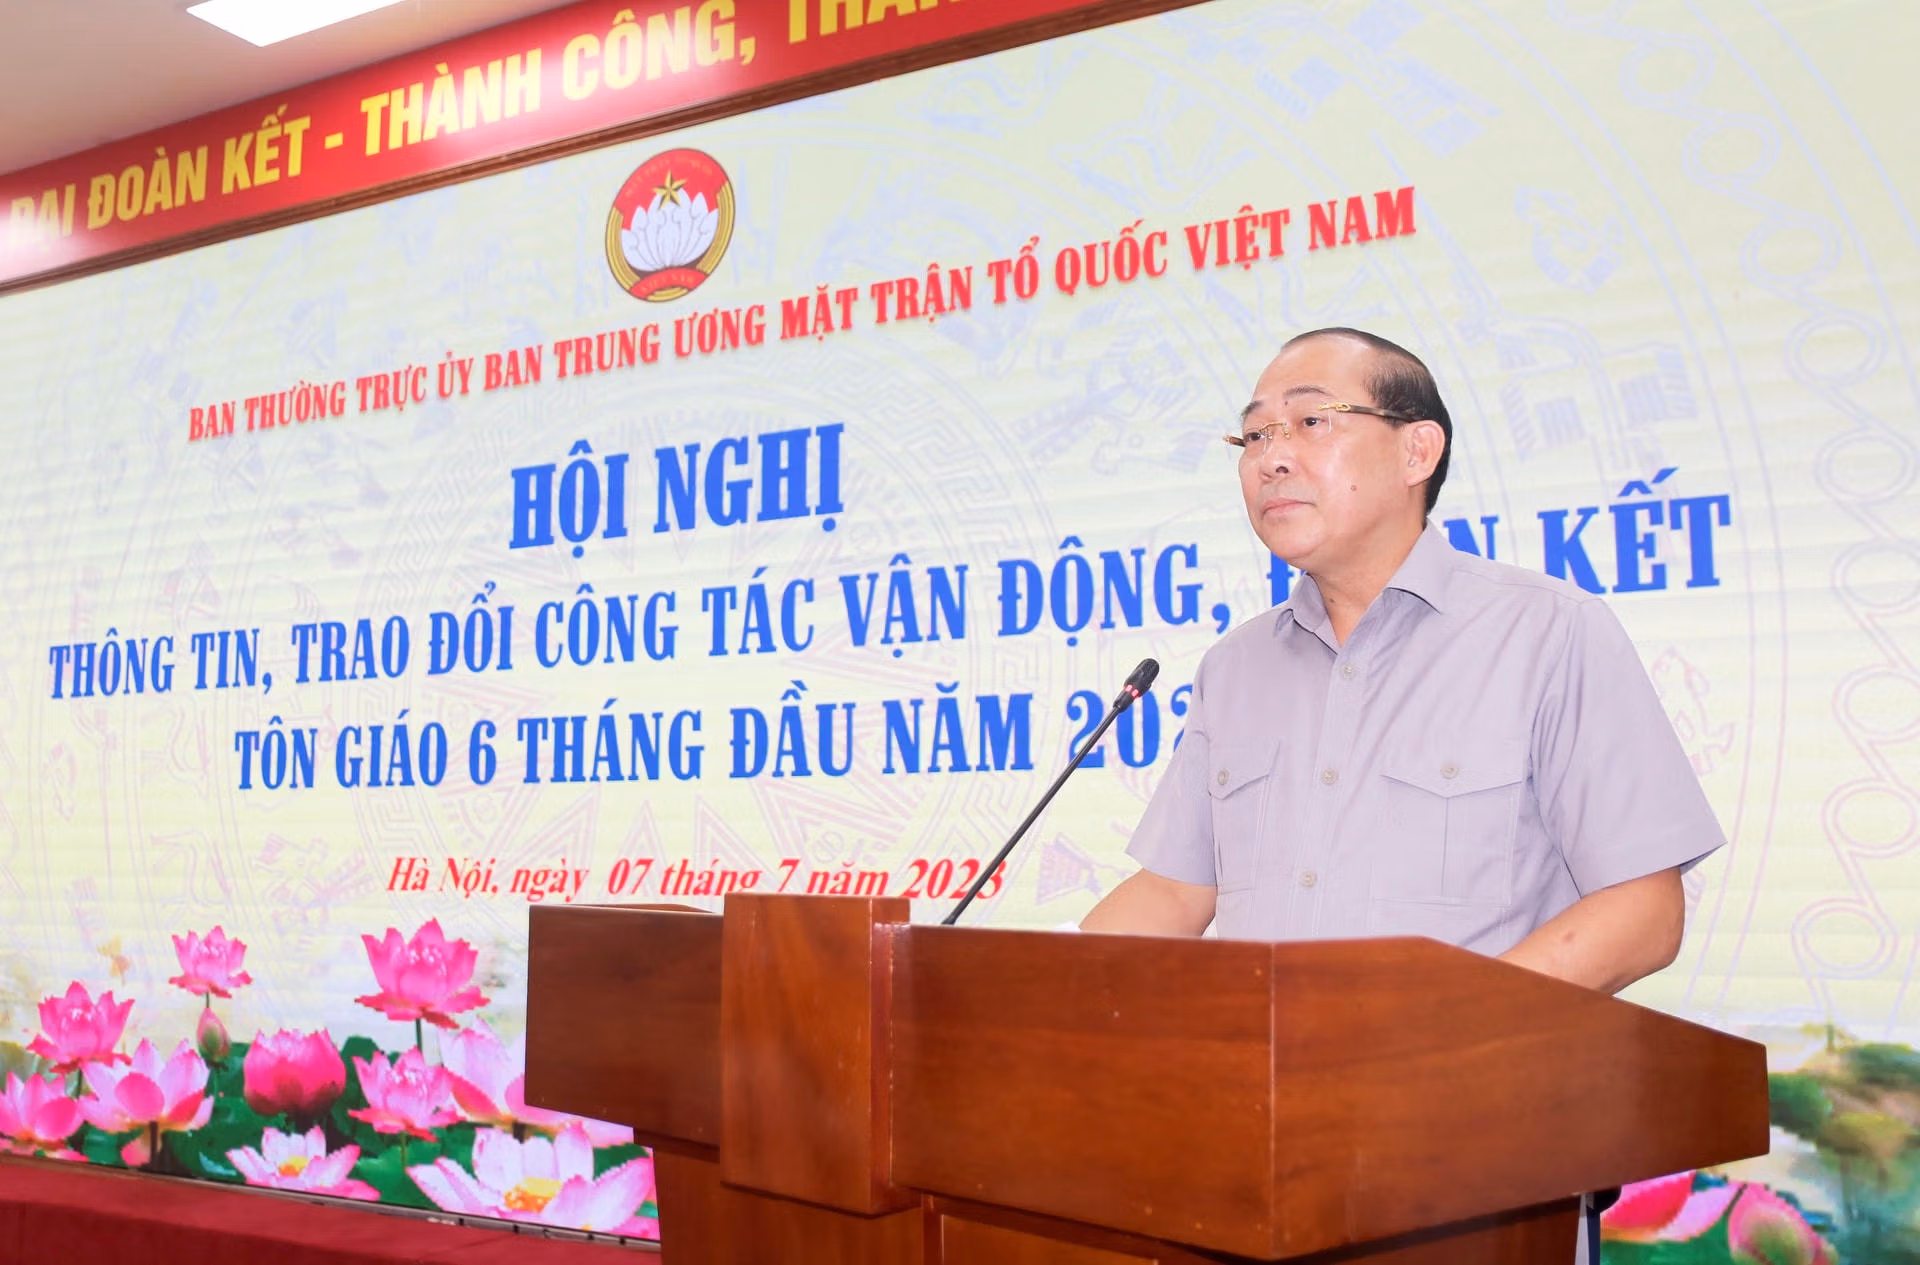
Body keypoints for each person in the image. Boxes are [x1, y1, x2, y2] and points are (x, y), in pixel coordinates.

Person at [1079, 327, 1723, 1263]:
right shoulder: (1235, 667)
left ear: (1418, 449)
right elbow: (1175, 893)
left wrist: (1430, 1040)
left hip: (1476, 1171)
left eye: (1310, 421)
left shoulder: (1547, 632)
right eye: (1254, 435)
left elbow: (1642, 910)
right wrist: (1026, 1002)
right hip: (1256, 1163)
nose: (1272, 457)